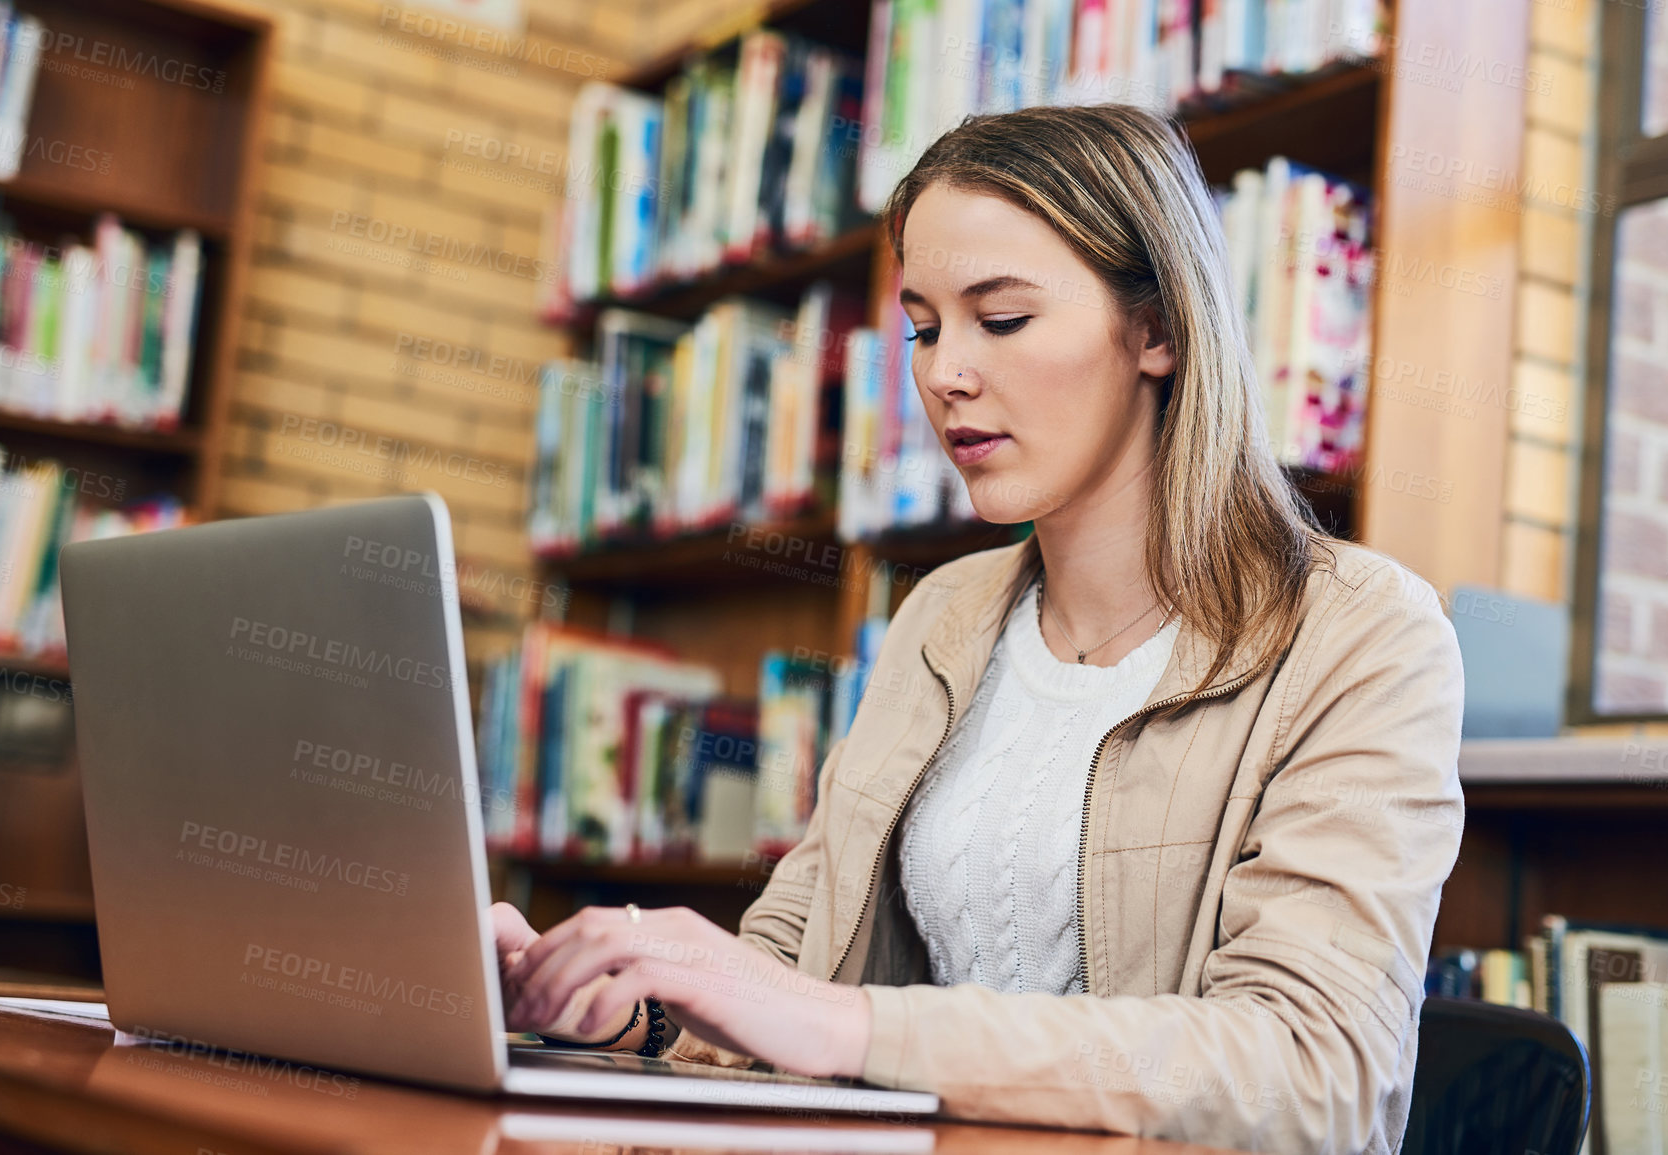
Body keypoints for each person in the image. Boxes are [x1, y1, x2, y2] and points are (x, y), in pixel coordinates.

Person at [492, 102, 1465, 1153]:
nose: (945, 374)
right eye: (923, 327)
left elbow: (1314, 1072)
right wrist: (629, 1008)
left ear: (1160, 329)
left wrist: (853, 1028)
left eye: (1000, 321)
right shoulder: (943, 617)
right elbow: (792, 970)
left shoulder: (1364, 636)